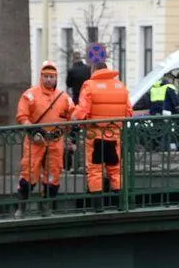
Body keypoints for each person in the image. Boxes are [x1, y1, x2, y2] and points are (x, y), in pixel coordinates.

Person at [72, 57, 132, 196]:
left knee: (95, 169)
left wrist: (74, 119)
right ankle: (119, 201)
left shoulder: (89, 85)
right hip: (114, 135)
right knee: (115, 168)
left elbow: (82, 111)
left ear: (93, 70)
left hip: (95, 135)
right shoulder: (121, 86)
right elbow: (129, 112)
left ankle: (97, 204)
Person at [16, 63, 73, 201]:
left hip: (55, 140)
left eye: (51, 77)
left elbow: (72, 116)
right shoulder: (30, 95)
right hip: (35, 139)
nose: (48, 79)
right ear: (41, 77)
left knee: (53, 172)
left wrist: (71, 133)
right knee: (29, 170)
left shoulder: (63, 97)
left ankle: (47, 206)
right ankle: (22, 204)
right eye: (46, 76)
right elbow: (22, 116)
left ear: (56, 78)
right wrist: (32, 129)